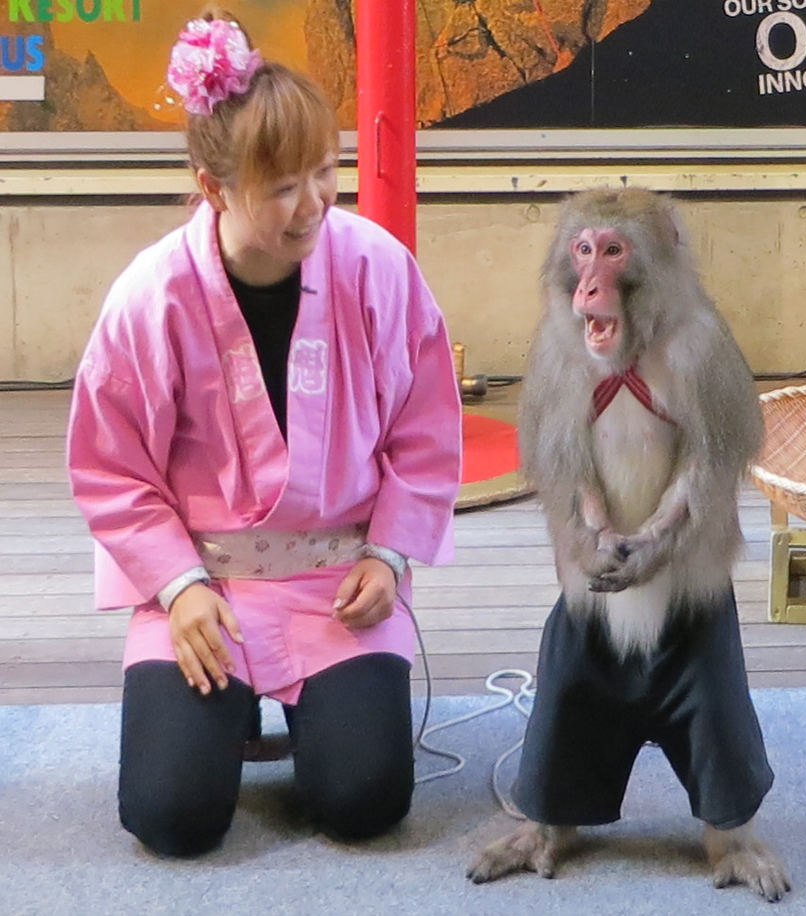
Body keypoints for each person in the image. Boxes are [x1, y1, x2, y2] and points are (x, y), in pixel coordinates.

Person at [66, 11, 462, 858]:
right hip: (205, 593)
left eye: (326, 173)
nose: (315, 203)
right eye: (283, 187)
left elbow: (426, 429)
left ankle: (314, 708)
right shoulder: (150, 297)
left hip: (339, 585)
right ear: (214, 187)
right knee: (170, 818)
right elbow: (112, 471)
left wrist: (389, 556)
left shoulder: (377, 268)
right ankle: (228, 704)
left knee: (363, 801)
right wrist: (177, 588)